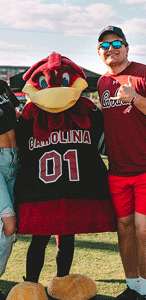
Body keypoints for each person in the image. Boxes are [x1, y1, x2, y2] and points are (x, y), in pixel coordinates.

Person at [11, 53, 116, 300]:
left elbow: (105, 146)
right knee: (45, 239)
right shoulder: (29, 117)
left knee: (62, 238)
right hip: (47, 191)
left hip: (60, 190)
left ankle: (58, 282)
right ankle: (33, 284)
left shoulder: (87, 114)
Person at [97, 26, 146, 299]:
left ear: (127, 47)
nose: (111, 48)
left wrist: (137, 98)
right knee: (124, 229)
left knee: (145, 230)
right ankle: (132, 288)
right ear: (99, 52)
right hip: (118, 170)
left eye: (116, 43)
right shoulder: (102, 83)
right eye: (105, 45)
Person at [0, 80, 19, 299]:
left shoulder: (3, 86)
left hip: (14, 160)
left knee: (8, 229)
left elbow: (18, 116)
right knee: (8, 223)